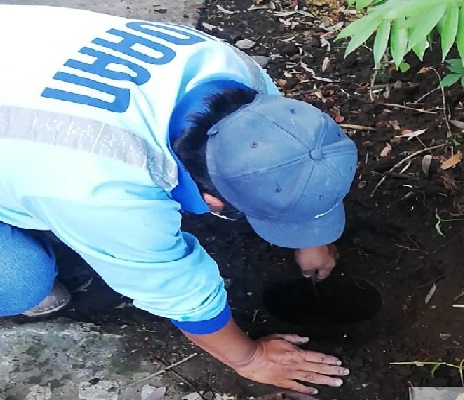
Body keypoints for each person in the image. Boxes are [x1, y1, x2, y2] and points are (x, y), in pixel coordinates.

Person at [0, 5, 358, 396]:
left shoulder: (236, 73)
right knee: (21, 281)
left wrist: (311, 236)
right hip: (42, 148)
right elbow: (176, 291)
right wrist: (248, 358)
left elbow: (291, 156)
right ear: (212, 201)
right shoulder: (104, 189)